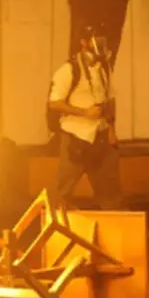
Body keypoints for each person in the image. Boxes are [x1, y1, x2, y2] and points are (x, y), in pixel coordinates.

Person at [48, 24, 122, 210]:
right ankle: (56, 229)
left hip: (101, 135)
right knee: (63, 189)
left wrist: (112, 130)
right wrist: (84, 113)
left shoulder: (104, 67)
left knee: (110, 190)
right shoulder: (69, 70)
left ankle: (116, 232)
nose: (100, 44)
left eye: (102, 40)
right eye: (96, 40)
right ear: (83, 42)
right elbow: (55, 102)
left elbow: (110, 99)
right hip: (76, 137)